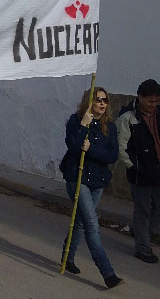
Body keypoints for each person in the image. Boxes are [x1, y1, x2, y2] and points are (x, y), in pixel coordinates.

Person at [59, 87, 123, 289]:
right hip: (77, 178)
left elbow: (112, 155)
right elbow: (73, 145)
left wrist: (92, 149)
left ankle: (67, 259)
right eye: (98, 100)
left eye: (105, 100)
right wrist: (83, 126)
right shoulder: (76, 120)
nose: (102, 104)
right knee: (91, 223)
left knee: (79, 222)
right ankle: (108, 273)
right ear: (89, 102)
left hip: (97, 181)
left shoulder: (110, 127)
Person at [117, 79, 160, 264]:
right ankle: (143, 248)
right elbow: (122, 148)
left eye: (156, 101)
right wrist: (133, 166)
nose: (153, 105)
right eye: (150, 101)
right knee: (142, 210)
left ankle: (139, 231)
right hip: (140, 173)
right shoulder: (128, 117)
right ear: (140, 97)